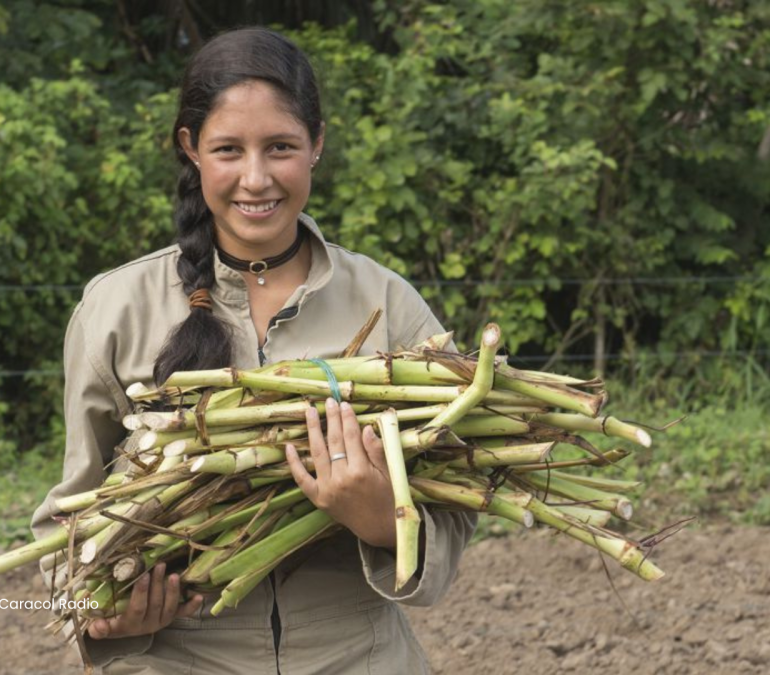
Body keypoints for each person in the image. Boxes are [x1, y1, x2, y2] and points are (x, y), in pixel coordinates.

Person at [31, 27, 475, 674]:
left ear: (318, 143)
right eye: (228, 150)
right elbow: (69, 518)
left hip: (361, 657)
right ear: (191, 149)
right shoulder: (115, 308)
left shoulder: (388, 302)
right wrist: (104, 609)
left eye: (282, 147)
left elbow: (455, 513)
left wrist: (382, 518)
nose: (256, 178)